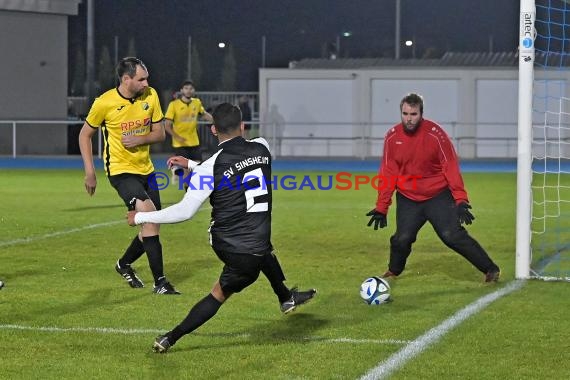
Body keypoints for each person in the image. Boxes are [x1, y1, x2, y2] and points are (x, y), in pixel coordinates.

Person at [127, 103, 317, 353]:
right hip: (250, 240)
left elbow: (186, 210)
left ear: (213, 130)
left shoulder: (210, 168)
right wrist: (194, 164)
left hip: (230, 243)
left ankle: (285, 298)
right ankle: (171, 337)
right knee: (250, 258)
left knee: (241, 270)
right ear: (243, 126)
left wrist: (141, 217)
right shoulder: (263, 147)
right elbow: (233, 168)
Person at [366, 93, 501, 283]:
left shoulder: (436, 135)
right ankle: (393, 271)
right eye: (405, 114)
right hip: (408, 197)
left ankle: (490, 269)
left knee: (451, 236)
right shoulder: (392, 137)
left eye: (413, 114)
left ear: (421, 113)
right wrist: (382, 206)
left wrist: (460, 199)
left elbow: (451, 167)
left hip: (438, 195)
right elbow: (388, 172)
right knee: (401, 239)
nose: (409, 119)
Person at [79, 57, 180, 295]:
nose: (147, 83)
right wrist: (89, 171)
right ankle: (161, 283)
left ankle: (124, 264)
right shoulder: (104, 103)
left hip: (146, 169)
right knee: (149, 218)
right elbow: (85, 135)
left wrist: (140, 139)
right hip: (121, 171)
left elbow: (159, 134)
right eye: (141, 79)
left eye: (147, 78)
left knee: (151, 225)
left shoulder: (151, 95)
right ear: (126, 79)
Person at [164, 80, 213, 183]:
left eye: (191, 88)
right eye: (186, 88)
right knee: (186, 169)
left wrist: (217, 122)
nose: (188, 91)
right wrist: (177, 137)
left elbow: (204, 114)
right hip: (180, 143)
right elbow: (167, 125)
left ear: (194, 91)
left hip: (194, 141)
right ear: (182, 90)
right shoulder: (173, 105)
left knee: (198, 166)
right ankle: (180, 176)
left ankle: (177, 171)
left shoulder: (197, 102)